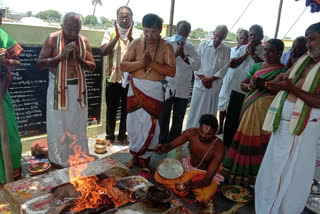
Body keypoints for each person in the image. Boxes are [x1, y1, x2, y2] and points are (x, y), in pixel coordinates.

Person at [255, 22, 320, 214]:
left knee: (292, 172)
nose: (308, 44)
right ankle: (264, 208)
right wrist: (276, 82)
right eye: (307, 39)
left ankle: (282, 210)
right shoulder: (304, 60)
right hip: (283, 125)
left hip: (304, 127)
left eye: (312, 39)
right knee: (272, 168)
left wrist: (289, 88)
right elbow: (285, 77)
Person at [221, 39, 287, 187]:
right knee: (243, 140)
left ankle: (255, 179)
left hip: (266, 112)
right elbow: (243, 84)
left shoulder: (284, 72)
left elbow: (281, 91)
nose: (267, 54)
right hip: (250, 108)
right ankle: (237, 174)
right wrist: (250, 85)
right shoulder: (258, 67)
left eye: (271, 51)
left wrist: (265, 85)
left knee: (259, 143)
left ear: (279, 53)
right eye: (266, 50)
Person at [37, 12, 96, 168]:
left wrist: (78, 58)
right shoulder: (52, 39)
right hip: (57, 89)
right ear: (62, 26)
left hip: (78, 90)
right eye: (69, 28)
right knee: (58, 126)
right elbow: (40, 64)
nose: (72, 33)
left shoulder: (83, 41)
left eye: (76, 29)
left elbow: (92, 67)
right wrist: (60, 57)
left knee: (77, 125)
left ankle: (78, 159)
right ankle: (58, 162)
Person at [120, 14, 175, 168]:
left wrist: (152, 63)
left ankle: (145, 160)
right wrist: (140, 63)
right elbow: (123, 65)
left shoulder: (166, 47)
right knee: (133, 125)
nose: (150, 36)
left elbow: (171, 71)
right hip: (136, 89)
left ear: (160, 31)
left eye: (154, 32)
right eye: (146, 32)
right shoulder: (136, 44)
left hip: (154, 91)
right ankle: (134, 156)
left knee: (151, 127)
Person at [154, 114, 224, 213]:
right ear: (199, 127)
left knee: (205, 196)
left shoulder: (219, 148)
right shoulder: (191, 133)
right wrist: (162, 148)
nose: (203, 135)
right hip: (188, 166)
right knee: (158, 175)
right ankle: (186, 188)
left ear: (215, 133)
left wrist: (193, 185)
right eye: (201, 131)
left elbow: (208, 179)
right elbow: (170, 146)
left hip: (204, 174)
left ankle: (187, 188)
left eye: (208, 134)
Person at [100, 6, 142, 145]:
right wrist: (116, 37)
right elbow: (104, 51)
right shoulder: (109, 32)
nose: (124, 20)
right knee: (111, 108)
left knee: (127, 109)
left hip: (131, 79)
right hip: (111, 77)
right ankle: (110, 136)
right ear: (116, 19)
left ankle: (123, 135)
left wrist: (130, 38)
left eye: (127, 17)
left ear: (132, 19)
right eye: (121, 17)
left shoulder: (139, 34)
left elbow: (141, 54)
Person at [158, 20, 200, 145]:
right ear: (176, 29)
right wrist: (176, 54)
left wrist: (185, 57)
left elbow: (197, 65)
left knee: (178, 116)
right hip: (167, 85)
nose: (183, 35)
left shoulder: (190, 47)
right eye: (181, 31)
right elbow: (159, 61)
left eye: (185, 33)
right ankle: (162, 140)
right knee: (163, 115)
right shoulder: (165, 43)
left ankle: (174, 142)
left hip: (183, 87)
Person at [223, 24, 265, 148]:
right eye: (251, 34)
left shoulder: (264, 50)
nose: (253, 37)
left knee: (244, 119)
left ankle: (238, 144)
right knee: (231, 118)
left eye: (256, 34)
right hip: (237, 88)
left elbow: (264, 68)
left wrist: (253, 55)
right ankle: (226, 143)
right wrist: (246, 54)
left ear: (261, 36)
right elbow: (232, 64)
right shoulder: (242, 48)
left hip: (252, 91)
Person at [186, 25, 230, 130]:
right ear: (213, 33)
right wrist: (203, 79)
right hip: (200, 85)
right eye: (217, 35)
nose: (218, 39)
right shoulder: (203, 45)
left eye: (221, 37)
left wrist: (211, 79)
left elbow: (225, 67)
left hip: (214, 87)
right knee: (195, 111)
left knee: (210, 112)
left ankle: (206, 133)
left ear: (224, 37)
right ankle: (190, 132)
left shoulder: (226, 49)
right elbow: (196, 64)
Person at [0, 10, 23, 184]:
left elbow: (17, 63)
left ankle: (9, 177)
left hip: (2, 95)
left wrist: (4, 61)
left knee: (11, 140)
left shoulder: (4, 37)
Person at [217, 30, 248, 134]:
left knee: (234, 109)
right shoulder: (231, 50)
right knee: (222, 106)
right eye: (241, 38)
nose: (243, 41)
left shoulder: (249, 53)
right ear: (237, 39)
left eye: (245, 39)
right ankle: (220, 127)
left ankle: (230, 130)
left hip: (238, 85)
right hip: (227, 80)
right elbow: (230, 64)